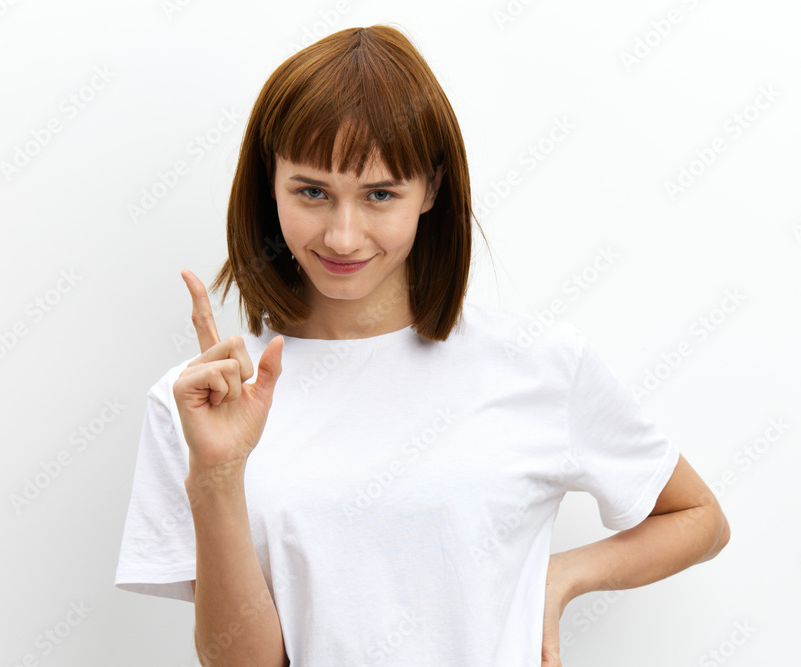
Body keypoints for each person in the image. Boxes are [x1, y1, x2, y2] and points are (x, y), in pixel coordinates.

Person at [114, 24, 729, 667]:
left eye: (380, 194)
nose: (344, 237)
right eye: (312, 192)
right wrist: (216, 474)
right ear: (270, 186)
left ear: (430, 190)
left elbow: (699, 517)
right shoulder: (200, 405)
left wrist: (559, 580)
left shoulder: (539, 364)